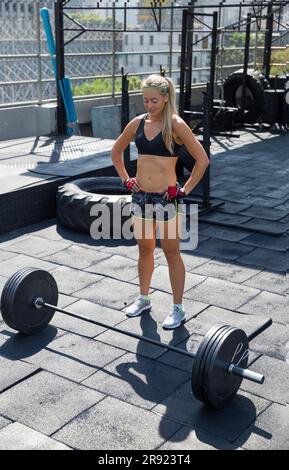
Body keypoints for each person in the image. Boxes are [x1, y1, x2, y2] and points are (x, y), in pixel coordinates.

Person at [111, 74, 209, 329]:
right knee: (144, 249)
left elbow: (202, 160)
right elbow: (116, 150)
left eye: (154, 100)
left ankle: (178, 308)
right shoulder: (137, 123)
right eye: (145, 100)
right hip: (141, 196)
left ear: (166, 98)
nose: (149, 105)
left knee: (171, 252)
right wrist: (126, 180)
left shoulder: (175, 125)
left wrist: (184, 191)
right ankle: (144, 298)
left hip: (167, 198)